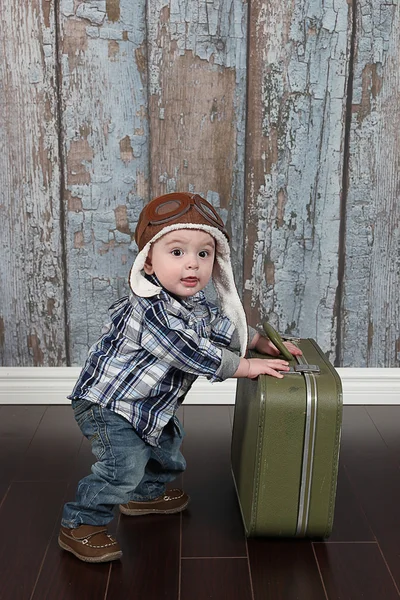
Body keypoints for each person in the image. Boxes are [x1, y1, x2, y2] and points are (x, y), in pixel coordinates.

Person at [58, 192, 301, 563]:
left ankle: (145, 495)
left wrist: (256, 341)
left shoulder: (194, 301)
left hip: (149, 405)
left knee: (167, 446)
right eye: (177, 252)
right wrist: (246, 366)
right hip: (110, 404)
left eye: (203, 254)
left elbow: (220, 326)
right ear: (149, 263)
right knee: (122, 466)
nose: (193, 265)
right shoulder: (149, 309)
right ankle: (81, 524)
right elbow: (189, 352)